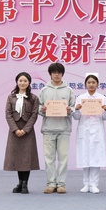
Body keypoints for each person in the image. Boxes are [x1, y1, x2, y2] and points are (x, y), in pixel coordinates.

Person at [38, 62, 75, 194]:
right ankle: (51, 183)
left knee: (63, 158)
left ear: (62, 74)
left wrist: (70, 110)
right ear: (50, 74)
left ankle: (61, 184)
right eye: (54, 72)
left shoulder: (69, 90)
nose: (57, 75)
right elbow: (39, 107)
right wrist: (42, 110)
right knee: (49, 158)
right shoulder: (44, 90)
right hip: (48, 129)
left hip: (64, 129)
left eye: (59, 72)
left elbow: (74, 108)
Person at [73, 73, 106, 194]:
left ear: (97, 84)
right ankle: (86, 184)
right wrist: (76, 109)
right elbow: (76, 117)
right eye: (89, 82)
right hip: (84, 131)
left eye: (93, 82)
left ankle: (94, 184)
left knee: (96, 157)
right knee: (85, 157)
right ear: (85, 84)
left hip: (97, 130)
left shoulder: (102, 98)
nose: (91, 85)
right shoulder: (80, 98)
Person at [3, 72, 40, 194]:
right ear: (17, 82)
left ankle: (25, 183)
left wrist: (25, 129)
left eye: (25, 81)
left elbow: (34, 115)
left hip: (27, 131)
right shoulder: (11, 97)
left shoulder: (33, 98)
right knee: (18, 157)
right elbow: (8, 114)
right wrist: (15, 129)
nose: (23, 83)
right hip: (14, 131)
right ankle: (20, 182)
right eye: (20, 80)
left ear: (29, 83)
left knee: (26, 157)